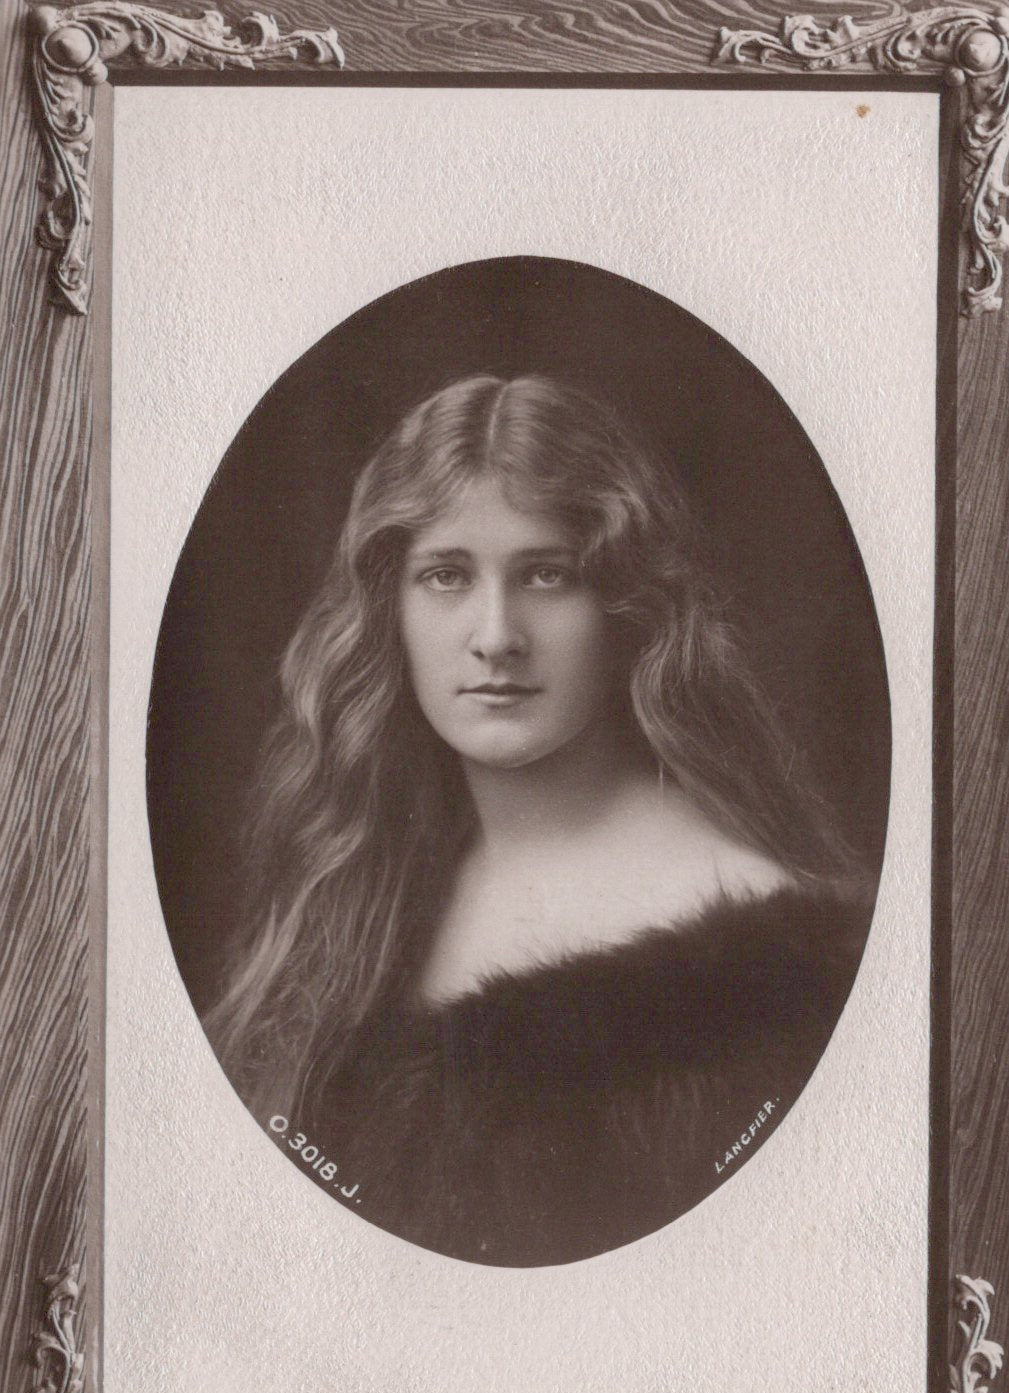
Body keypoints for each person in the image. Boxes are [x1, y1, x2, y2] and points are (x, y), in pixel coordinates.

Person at [206, 373, 875, 1267]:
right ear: (387, 611)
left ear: (627, 607)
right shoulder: (364, 884)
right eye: (445, 576)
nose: (495, 634)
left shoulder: (773, 963)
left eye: (546, 575)